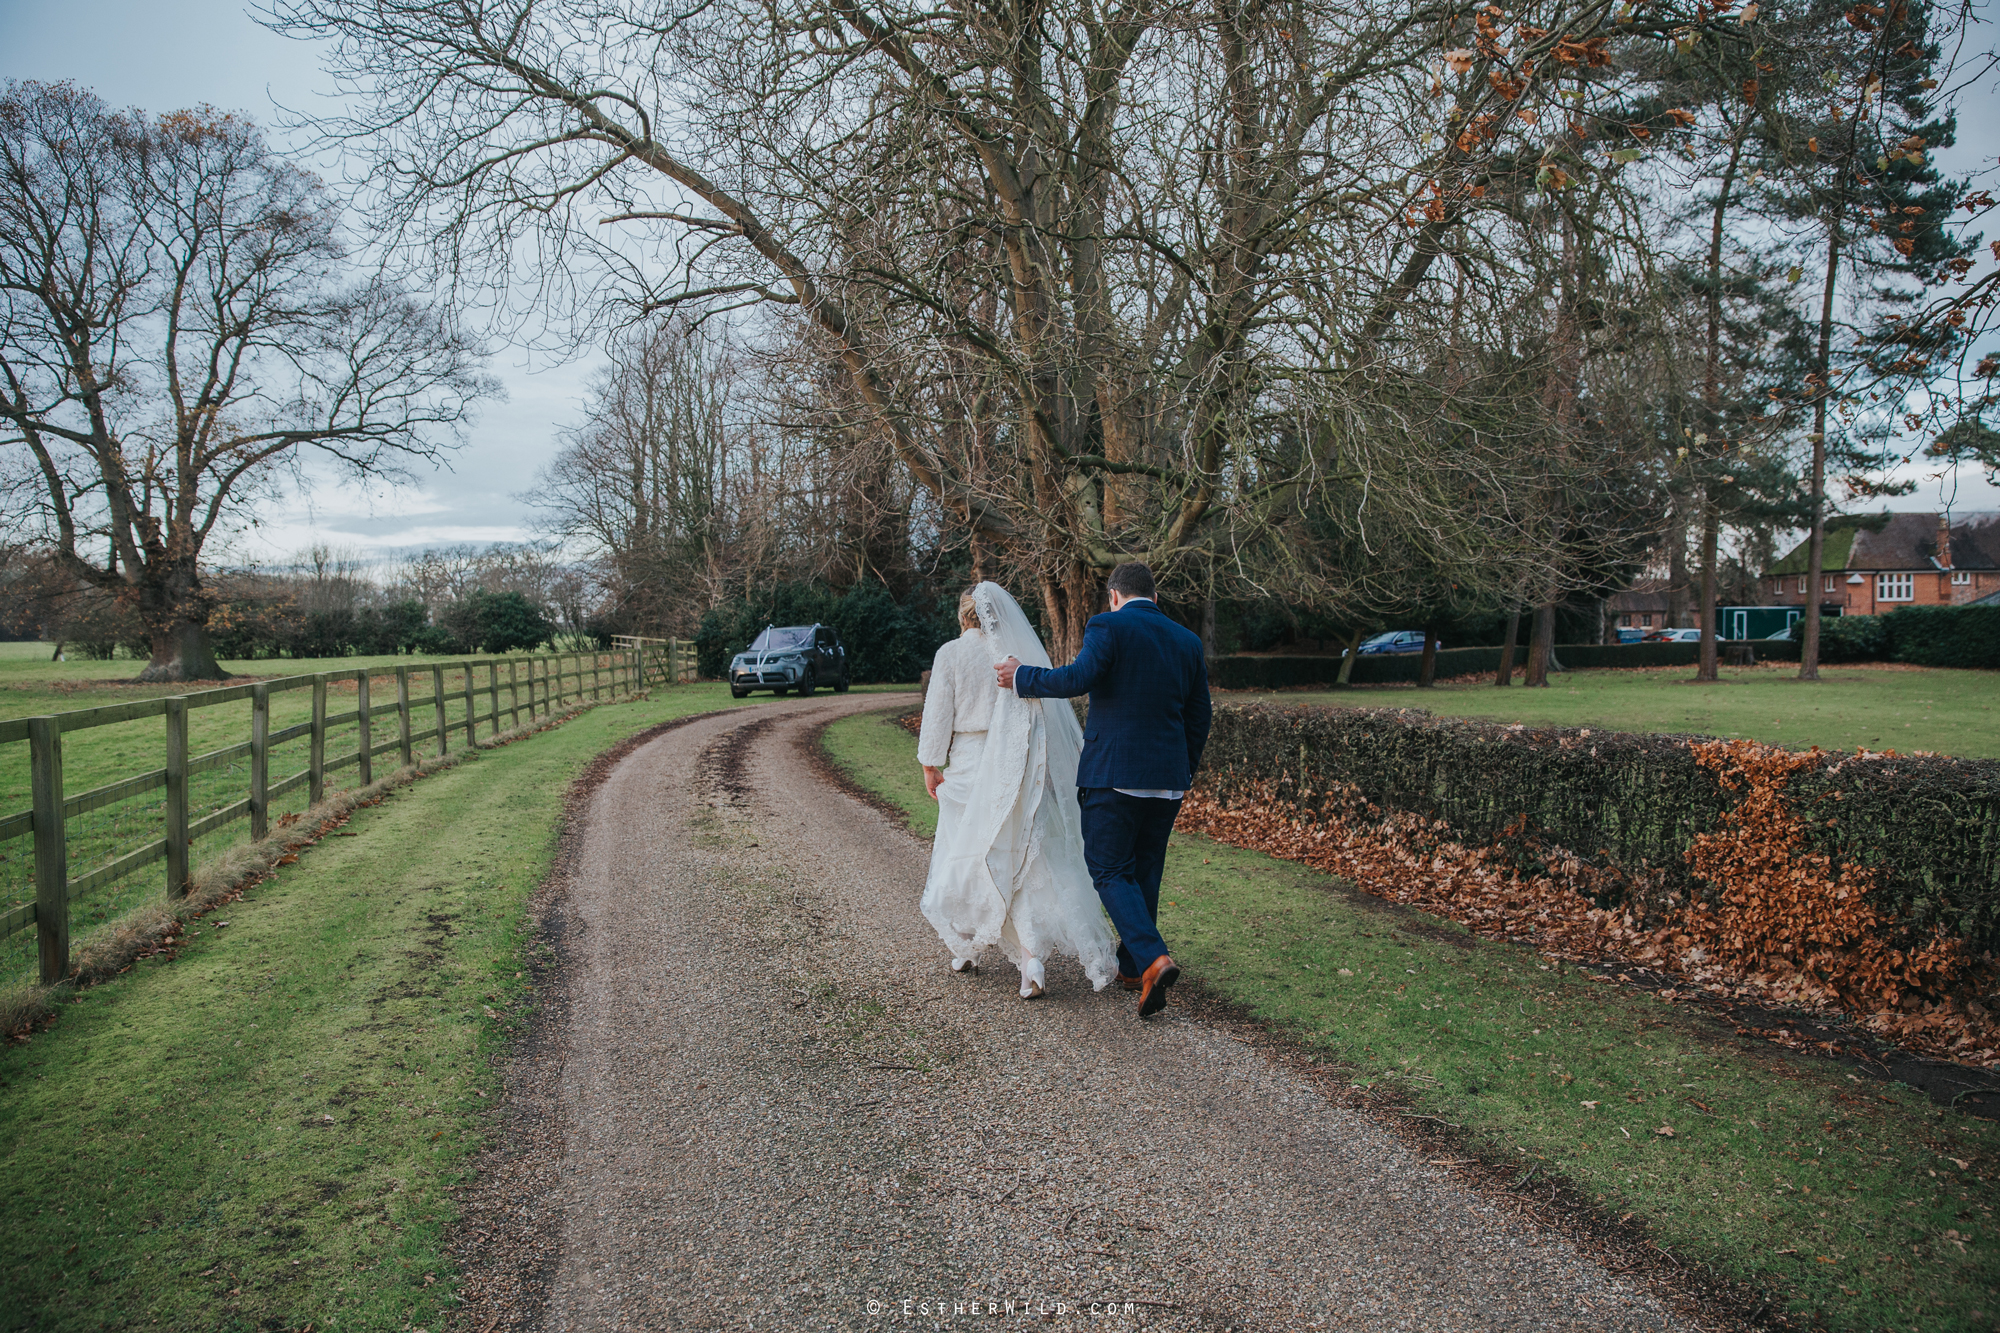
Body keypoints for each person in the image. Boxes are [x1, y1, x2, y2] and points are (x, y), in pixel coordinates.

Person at [996, 563, 1211, 1018]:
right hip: (1168, 782)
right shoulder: (1187, 642)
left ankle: (1152, 958)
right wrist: (1182, 771)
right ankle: (1133, 966)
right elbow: (1199, 718)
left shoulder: (1107, 625)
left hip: (1114, 774)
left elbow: (1078, 677)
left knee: (1109, 867)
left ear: (1114, 595)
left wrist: (1021, 676)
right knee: (1145, 870)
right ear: (1154, 597)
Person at [917, 582, 1119, 999]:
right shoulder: (1015, 658)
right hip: (1013, 768)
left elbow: (938, 714)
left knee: (968, 855)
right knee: (1019, 861)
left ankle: (969, 945)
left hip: (971, 764)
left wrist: (930, 764)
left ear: (963, 616)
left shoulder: (951, 654)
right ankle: (1030, 961)